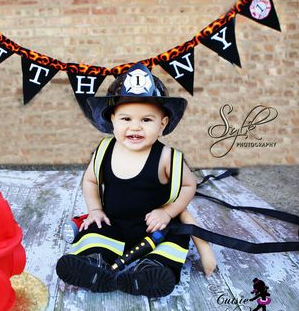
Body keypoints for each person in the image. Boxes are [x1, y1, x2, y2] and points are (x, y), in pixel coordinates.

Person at [56, 63, 216, 298]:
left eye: (147, 120)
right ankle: (94, 263)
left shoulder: (166, 158)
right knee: (94, 232)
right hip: (115, 223)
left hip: (154, 230)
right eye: (126, 118)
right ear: (112, 120)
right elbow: (90, 181)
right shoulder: (104, 151)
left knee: (172, 242)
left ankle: (150, 271)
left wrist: (169, 213)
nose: (135, 127)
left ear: (163, 123)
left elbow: (188, 185)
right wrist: (95, 209)